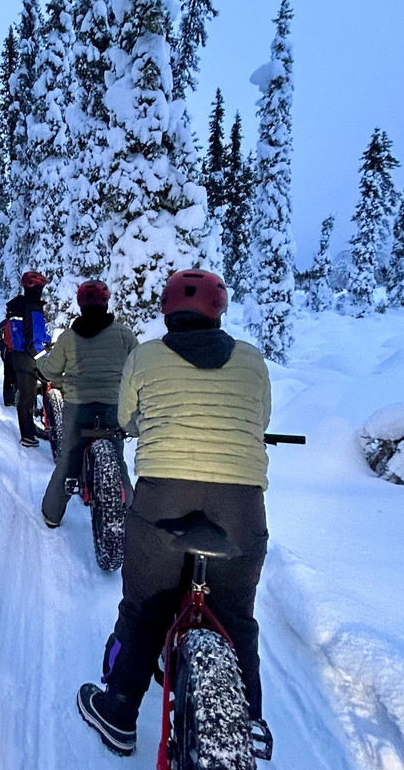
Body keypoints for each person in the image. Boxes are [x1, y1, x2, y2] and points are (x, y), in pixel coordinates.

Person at [76, 269, 272, 757]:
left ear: (167, 310)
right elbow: (260, 421)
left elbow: (125, 418)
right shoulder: (253, 361)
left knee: (144, 610)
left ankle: (119, 712)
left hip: (163, 497)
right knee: (236, 616)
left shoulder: (144, 356)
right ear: (220, 309)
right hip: (241, 506)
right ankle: (246, 724)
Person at [37, 280, 137, 527]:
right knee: (118, 460)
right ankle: (132, 515)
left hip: (77, 406)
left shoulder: (68, 337)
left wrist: (38, 363)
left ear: (80, 304)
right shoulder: (124, 334)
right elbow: (138, 366)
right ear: (106, 303)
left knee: (69, 458)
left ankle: (52, 514)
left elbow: (50, 372)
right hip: (113, 406)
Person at [4, 271, 51, 447]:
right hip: (30, 355)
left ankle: (28, 434)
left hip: (17, 355)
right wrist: (44, 358)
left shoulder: (17, 305)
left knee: (26, 394)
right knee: (46, 382)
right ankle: (47, 427)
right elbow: (36, 339)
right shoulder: (33, 308)